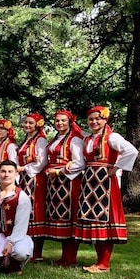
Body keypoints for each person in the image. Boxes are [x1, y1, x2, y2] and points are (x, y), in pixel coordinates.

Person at [76, 106, 139, 273]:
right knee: (95, 220)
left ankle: (104, 263)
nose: (94, 122)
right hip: (90, 181)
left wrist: (116, 167)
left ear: (105, 120)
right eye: (91, 119)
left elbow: (131, 151)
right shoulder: (88, 139)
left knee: (105, 219)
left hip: (104, 182)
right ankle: (100, 262)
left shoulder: (112, 137)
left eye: (98, 118)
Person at [43, 110, 85, 267]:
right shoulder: (57, 138)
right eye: (57, 121)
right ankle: (64, 256)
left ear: (70, 122)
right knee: (61, 219)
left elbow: (79, 162)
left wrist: (60, 171)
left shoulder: (74, 140)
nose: (59, 123)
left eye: (63, 121)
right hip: (55, 182)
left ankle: (70, 257)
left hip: (69, 182)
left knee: (70, 218)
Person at [0, 160, 34, 275]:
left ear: (16, 174)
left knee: (20, 252)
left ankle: (15, 263)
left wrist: (11, 243)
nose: (6, 174)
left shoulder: (21, 197)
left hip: (16, 236)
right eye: (3, 171)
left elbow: (21, 225)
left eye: (10, 171)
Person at [15, 113, 49, 261]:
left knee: (35, 211)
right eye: (26, 123)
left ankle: (37, 252)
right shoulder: (27, 140)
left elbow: (41, 162)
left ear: (38, 125)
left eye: (30, 123)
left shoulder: (40, 140)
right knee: (25, 211)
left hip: (34, 179)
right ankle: (27, 246)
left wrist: (23, 168)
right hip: (24, 178)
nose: (27, 125)